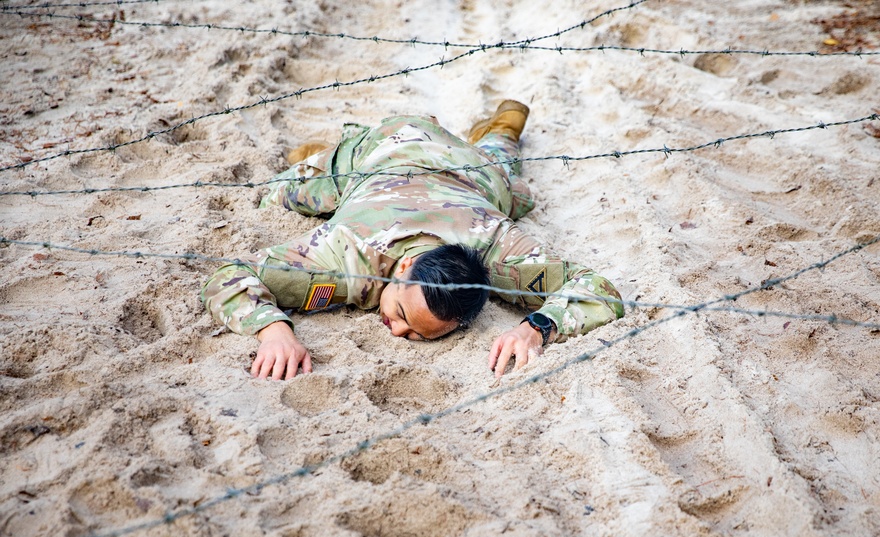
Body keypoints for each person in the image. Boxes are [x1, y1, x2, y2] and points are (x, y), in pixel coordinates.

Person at [201, 100, 624, 380]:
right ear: (403, 269)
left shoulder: (496, 247)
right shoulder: (348, 252)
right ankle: (329, 152)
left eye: (419, 334)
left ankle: (502, 131)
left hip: (468, 168)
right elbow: (231, 275)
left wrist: (536, 328)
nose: (397, 330)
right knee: (286, 191)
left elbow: (601, 292)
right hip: (390, 148)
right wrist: (274, 332)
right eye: (402, 310)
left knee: (499, 172)